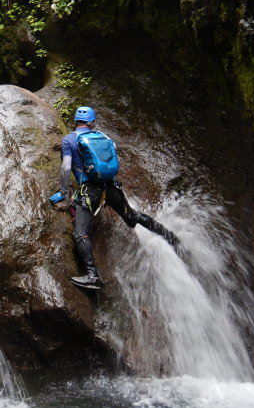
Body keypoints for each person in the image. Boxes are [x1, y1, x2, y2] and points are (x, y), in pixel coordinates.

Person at [50, 106, 178, 290]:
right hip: (111, 188)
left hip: (89, 192)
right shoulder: (103, 137)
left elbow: (66, 167)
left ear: (75, 121)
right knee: (132, 216)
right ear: (92, 122)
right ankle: (171, 238)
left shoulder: (69, 140)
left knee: (80, 233)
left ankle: (92, 276)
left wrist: (62, 192)